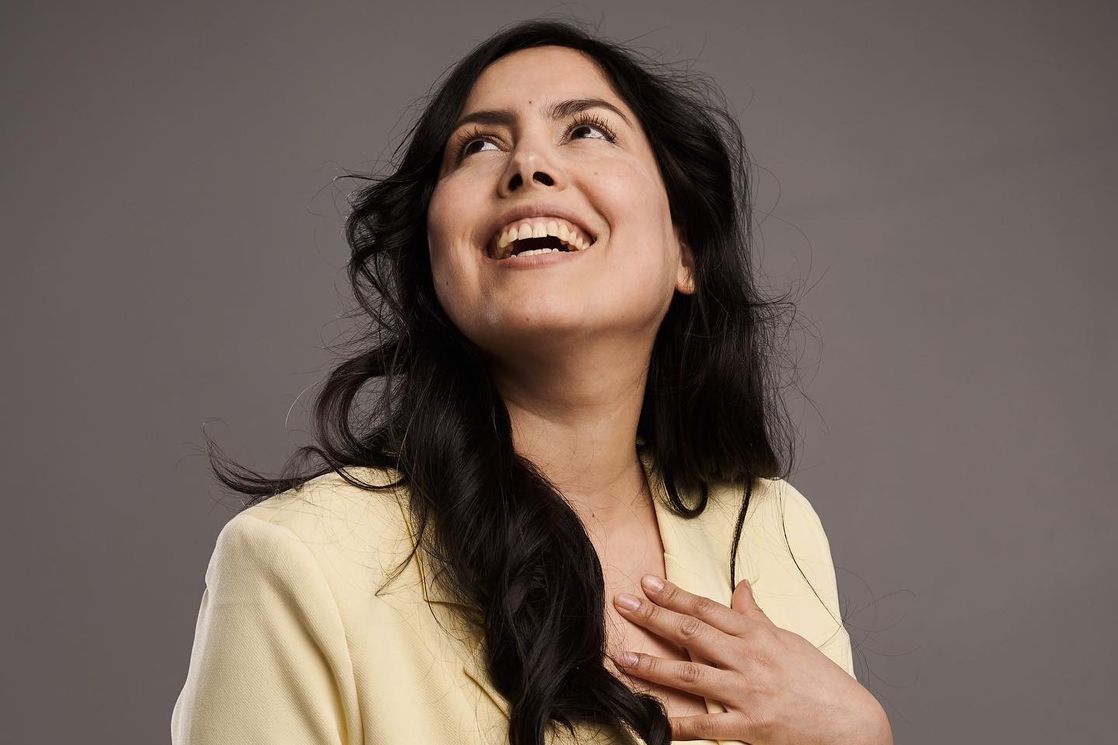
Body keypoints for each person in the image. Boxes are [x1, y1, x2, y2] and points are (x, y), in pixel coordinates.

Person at [171, 18, 893, 745]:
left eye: (588, 130)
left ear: (686, 250)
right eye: (478, 145)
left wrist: (861, 733)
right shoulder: (296, 562)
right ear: (433, 262)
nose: (527, 165)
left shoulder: (773, 528)